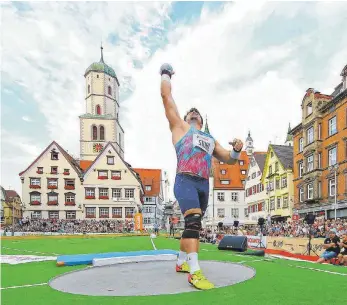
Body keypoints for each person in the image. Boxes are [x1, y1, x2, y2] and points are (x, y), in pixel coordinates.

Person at [159, 63, 243, 290]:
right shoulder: (180, 127)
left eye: (197, 113)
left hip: (203, 184)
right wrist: (166, 74)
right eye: (190, 112)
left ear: (202, 121)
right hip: (185, 179)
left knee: (192, 225)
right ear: (185, 118)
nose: (194, 112)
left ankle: (180, 262)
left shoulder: (209, 138)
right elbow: (166, 97)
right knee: (194, 222)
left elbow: (229, 159)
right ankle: (194, 272)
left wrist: (237, 148)